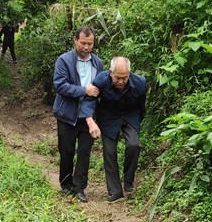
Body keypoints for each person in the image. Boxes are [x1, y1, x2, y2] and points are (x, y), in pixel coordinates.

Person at [52, 26, 102, 203]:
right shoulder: (64, 60)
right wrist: (83, 90)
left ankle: (79, 188)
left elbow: (99, 89)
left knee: (84, 152)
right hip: (67, 114)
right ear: (75, 40)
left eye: (90, 43)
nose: (86, 47)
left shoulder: (98, 63)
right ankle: (66, 185)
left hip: (88, 116)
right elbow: (60, 85)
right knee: (66, 150)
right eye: (83, 43)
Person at [91, 56, 147, 202]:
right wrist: (93, 119)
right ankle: (115, 191)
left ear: (129, 74)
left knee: (133, 144)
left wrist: (136, 124)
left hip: (130, 114)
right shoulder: (100, 80)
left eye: (124, 77)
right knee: (109, 152)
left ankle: (128, 182)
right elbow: (91, 101)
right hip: (108, 116)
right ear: (110, 73)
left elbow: (142, 107)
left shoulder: (140, 83)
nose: (121, 81)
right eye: (117, 78)